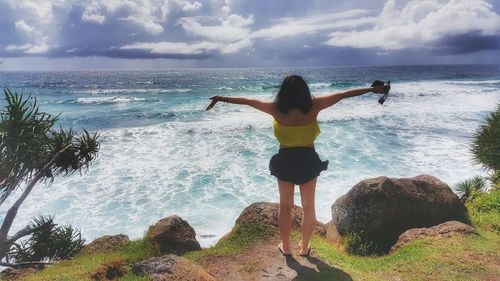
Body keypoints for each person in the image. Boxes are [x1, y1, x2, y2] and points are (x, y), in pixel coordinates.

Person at [206, 75, 390, 256]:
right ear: (304, 91)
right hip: (308, 160)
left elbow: (248, 101)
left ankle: (285, 247)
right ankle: (304, 248)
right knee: (309, 206)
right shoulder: (314, 105)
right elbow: (344, 94)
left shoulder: (275, 108)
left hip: (285, 160)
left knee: (285, 206)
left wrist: (222, 99)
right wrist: (374, 89)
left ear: (283, 93)